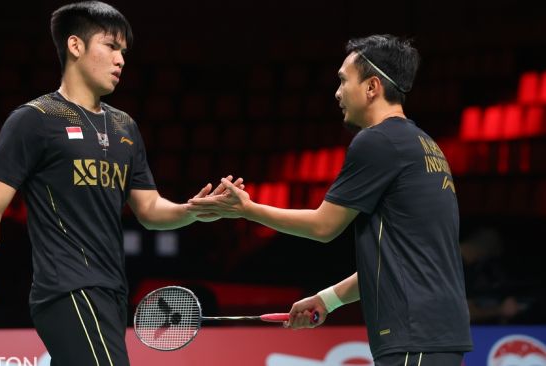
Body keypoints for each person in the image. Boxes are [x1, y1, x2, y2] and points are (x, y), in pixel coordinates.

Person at [0, 2, 241, 365]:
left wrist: (192, 211)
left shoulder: (124, 127)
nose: (121, 60)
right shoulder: (35, 120)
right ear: (75, 46)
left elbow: (149, 210)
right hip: (67, 289)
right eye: (110, 46)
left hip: (112, 292)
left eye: (124, 51)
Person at [187, 34, 473, 365]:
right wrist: (328, 299)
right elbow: (398, 262)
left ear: (372, 87)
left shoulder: (378, 142)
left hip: (414, 332)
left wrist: (246, 210)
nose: (337, 93)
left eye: (343, 80)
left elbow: (324, 226)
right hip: (432, 331)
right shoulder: (425, 145)